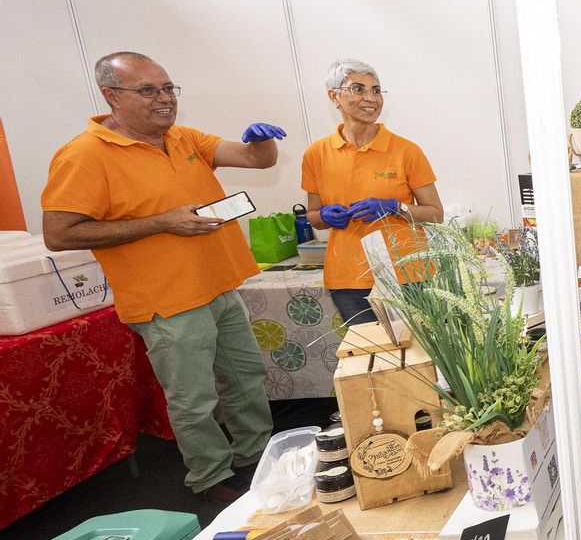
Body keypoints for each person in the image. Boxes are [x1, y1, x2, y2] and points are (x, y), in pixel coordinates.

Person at [41, 51, 286, 504]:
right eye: (148, 90)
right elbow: (58, 234)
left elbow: (257, 161)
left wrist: (264, 142)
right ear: (111, 96)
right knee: (194, 400)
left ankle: (258, 456)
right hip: (166, 300)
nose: (164, 98)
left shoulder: (182, 137)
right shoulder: (83, 155)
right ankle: (210, 479)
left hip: (219, 284)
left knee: (246, 377)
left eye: (168, 87)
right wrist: (161, 222)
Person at [304, 59, 444, 324]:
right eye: (358, 89)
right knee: (368, 356)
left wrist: (396, 207)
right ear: (334, 96)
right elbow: (313, 216)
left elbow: (436, 214)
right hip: (348, 280)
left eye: (376, 90)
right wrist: (324, 215)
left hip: (407, 275)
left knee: (416, 356)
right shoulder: (316, 154)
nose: (370, 98)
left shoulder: (407, 151)